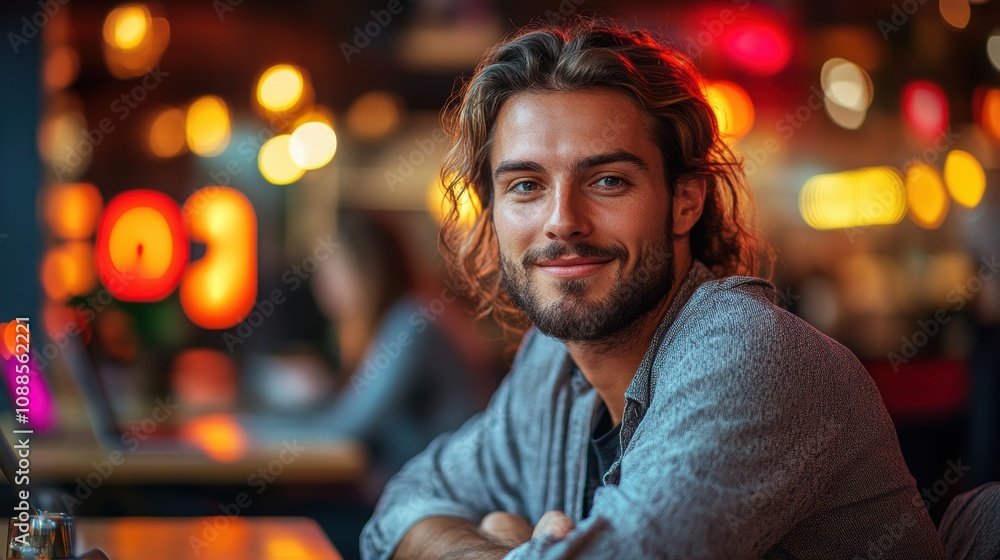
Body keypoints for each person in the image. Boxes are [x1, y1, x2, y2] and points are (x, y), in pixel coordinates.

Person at [360, 20, 947, 559]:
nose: (562, 220)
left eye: (609, 180)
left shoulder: (749, 357)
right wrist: (498, 549)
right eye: (526, 185)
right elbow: (399, 507)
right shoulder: (551, 365)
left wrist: (500, 534)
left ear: (685, 201)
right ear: (492, 212)